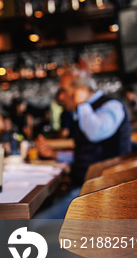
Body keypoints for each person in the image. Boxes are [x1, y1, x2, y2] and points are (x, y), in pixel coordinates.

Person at [34, 68, 131, 219]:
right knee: (38, 214)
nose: (60, 96)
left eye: (63, 91)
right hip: (84, 188)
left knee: (35, 225)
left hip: (103, 193)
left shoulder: (111, 105)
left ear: (79, 90)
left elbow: (95, 133)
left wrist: (81, 103)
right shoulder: (84, 112)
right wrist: (55, 154)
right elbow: (87, 152)